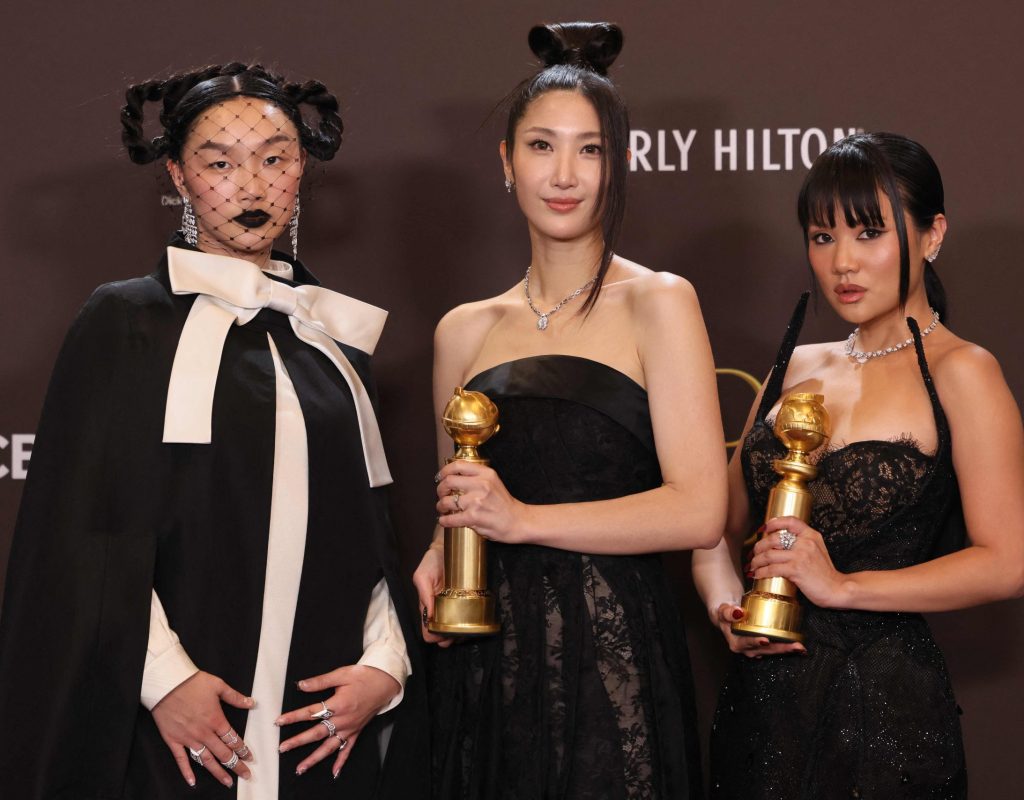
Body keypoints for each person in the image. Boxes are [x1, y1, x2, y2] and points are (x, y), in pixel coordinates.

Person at [0, 63, 425, 799]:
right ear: (178, 174)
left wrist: (384, 667)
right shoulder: (123, 321)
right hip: (176, 728)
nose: (251, 186)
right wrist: (163, 681)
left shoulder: (330, 336)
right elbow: (80, 534)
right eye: (220, 162)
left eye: (274, 159)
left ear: (301, 171)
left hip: (317, 732)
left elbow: (372, 530)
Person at [412, 22, 728, 800]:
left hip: (614, 665)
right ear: (506, 162)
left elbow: (698, 511)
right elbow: (462, 502)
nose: (565, 173)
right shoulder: (462, 331)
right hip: (486, 668)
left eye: (590, 150)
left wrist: (523, 520)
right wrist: (434, 555)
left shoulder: (660, 302)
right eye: (542, 146)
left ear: (618, 165)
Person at [692, 132, 1024, 799]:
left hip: (885, 713)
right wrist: (726, 605)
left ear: (932, 236)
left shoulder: (965, 372)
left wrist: (842, 587)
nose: (842, 261)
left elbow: (1008, 560)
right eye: (822, 237)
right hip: (761, 709)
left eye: (868, 233)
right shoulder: (795, 364)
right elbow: (713, 526)